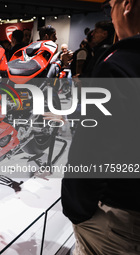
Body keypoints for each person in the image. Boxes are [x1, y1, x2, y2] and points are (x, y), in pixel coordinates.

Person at [62, 0, 140, 254]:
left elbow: (93, 148)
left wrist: (77, 209)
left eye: (111, 4)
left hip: (119, 216)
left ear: (127, 5)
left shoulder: (119, 63)